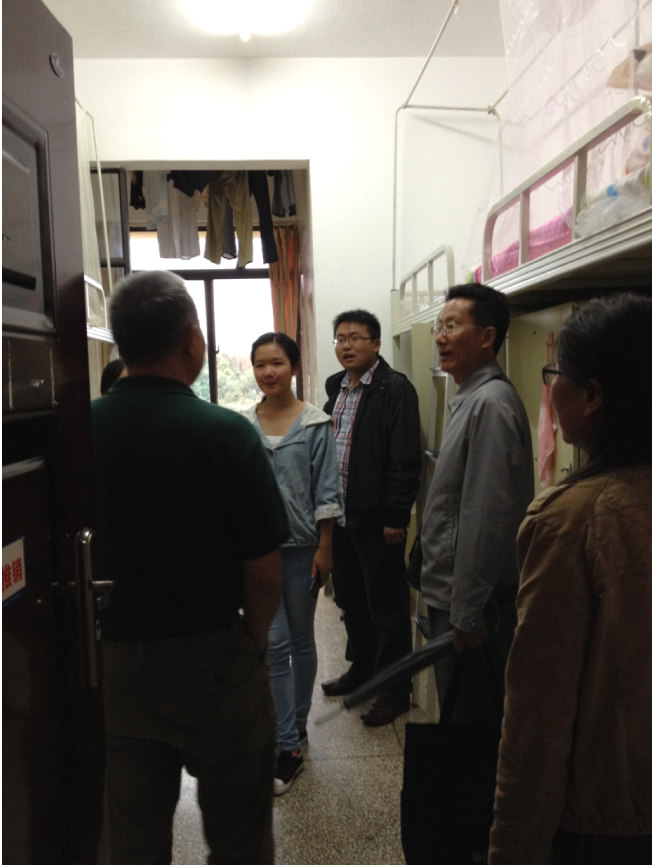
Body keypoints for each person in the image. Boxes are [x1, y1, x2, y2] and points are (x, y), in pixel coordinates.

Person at [92, 271, 289, 865]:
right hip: (213, 661)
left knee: (132, 836)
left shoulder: (77, 431)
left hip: (113, 662)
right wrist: (252, 644)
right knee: (239, 836)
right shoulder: (227, 434)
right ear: (192, 341)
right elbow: (264, 573)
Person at [490, 293, 652, 865]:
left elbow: (540, 714)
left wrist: (514, 848)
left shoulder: (571, 520)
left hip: (612, 820)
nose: (550, 388)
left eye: (555, 372)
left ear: (591, 396)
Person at [420, 284, 534, 726]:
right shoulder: (470, 397)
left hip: (469, 603)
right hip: (454, 594)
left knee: (472, 723)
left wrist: (467, 611)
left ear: (487, 337)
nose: (440, 337)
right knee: (462, 712)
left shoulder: (489, 404)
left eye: (452, 326)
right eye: (438, 327)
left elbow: (487, 517)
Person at [243, 332, 341, 795]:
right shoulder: (244, 426)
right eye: (260, 364)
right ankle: (287, 745)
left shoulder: (317, 423)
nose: (269, 372)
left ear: (294, 367)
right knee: (275, 642)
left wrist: (326, 547)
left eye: (277, 363)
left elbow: (327, 490)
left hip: (303, 548)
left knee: (301, 641)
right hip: (260, 551)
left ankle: (295, 726)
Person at [321, 309, 422, 727]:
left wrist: (396, 514)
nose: (347, 345)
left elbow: (404, 456)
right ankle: (362, 670)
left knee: (387, 610)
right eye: (340, 338)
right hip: (342, 518)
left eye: (356, 338)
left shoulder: (394, 389)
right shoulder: (337, 387)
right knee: (350, 602)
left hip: (378, 520)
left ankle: (395, 691)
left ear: (376, 344)